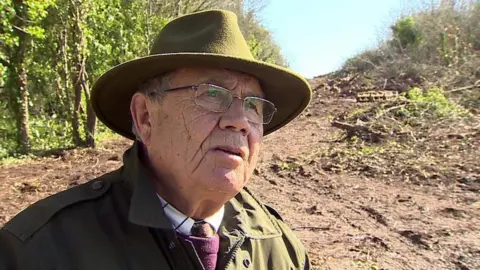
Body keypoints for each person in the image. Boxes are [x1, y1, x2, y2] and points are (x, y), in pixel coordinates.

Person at [0, 9, 312, 270]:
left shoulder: (279, 249)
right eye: (213, 94)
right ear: (146, 117)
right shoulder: (42, 249)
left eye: (253, 105)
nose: (240, 121)